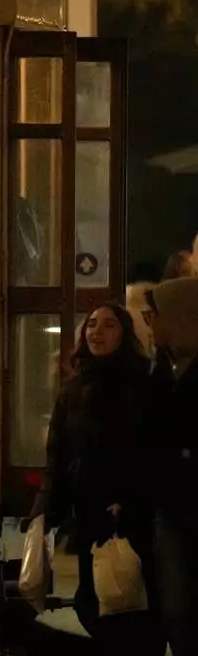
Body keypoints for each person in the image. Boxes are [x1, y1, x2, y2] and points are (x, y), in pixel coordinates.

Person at [31, 303, 163, 655]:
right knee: (94, 605)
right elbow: (57, 454)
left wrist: (131, 501)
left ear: (124, 335)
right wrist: (42, 511)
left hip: (128, 518)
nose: (96, 332)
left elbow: (151, 451)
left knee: (129, 603)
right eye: (91, 325)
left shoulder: (141, 385)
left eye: (108, 326)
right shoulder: (74, 389)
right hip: (88, 514)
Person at [145, 276, 198, 656]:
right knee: (177, 613)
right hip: (171, 508)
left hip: (190, 505)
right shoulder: (162, 371)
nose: (151, 324)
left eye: (156, 315)